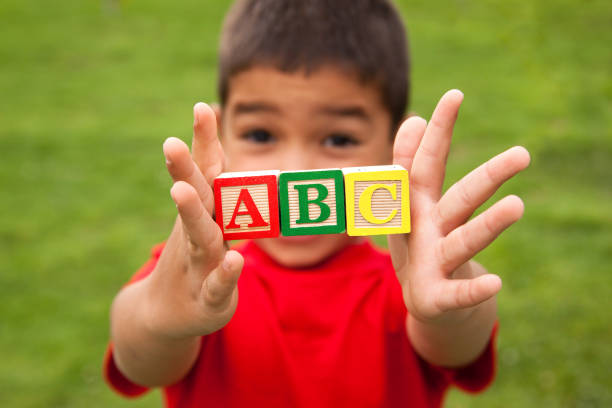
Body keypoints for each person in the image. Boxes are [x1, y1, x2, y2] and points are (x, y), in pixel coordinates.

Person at [104, 0, 531, 406]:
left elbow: (457, 343)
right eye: (260, 135)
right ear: (220, 132)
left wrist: (448, 298)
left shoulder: (402, 285)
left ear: (393, 145)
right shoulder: (198, 273)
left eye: (338, 139)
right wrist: (162, 317)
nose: (295, 169)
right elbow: (138, 355)